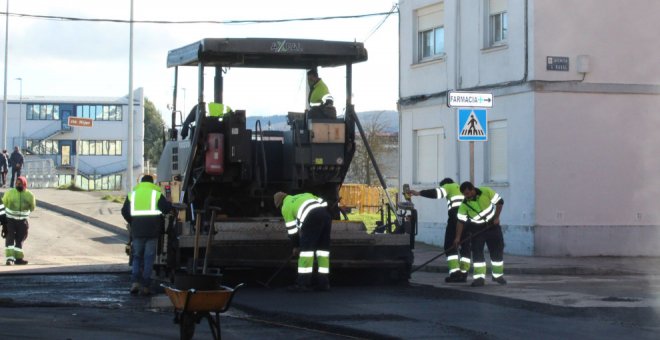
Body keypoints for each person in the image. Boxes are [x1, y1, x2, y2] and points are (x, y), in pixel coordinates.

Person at [408, 178, 471, 283]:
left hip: (456, 218)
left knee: (450, 245)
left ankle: (455, 273)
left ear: (445, 184)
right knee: (465, 246)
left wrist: (419, 193)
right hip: (469, 219)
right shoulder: (461, 188)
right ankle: (464, 274)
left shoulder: (449, 186)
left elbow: (436, 193)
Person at [121, 175, 172, 296]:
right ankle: (145, 286)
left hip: (137, 231)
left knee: (137, 257)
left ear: (141, 182)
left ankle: (135, 283)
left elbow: (124, 211)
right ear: (152, 182)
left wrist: (132, 221)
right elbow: (166, 209)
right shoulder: (156, 194)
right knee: (149, 258)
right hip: (153, 231)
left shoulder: (132, 194)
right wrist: (170, 203)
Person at [273, 191, 332, 292]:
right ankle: (324, 283)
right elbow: (324, 203)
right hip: (326, 216)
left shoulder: (285, 207)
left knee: (306, 252)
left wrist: (296, 246)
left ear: (280, 203)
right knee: (323, 251)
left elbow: (292, 230)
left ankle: (302, 284)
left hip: (311, 218)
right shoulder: (305, 195)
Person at [453, 181, 505, 287]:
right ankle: (479, 278)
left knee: (497, 250)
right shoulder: (464, 205)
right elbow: (460, 222)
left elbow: (500, 202)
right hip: (477, 229)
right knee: (477, 252)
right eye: (464, 194)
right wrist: (457, 238)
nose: (466, 196)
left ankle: (497, 275)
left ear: (473, 189)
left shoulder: (486, 191)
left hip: (492, 227)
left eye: (467, 193)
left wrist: (496, 217)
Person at [2, 176, 35, 265]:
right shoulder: (9, 193)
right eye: (16, 183)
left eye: (20, 184)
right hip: (10, 220)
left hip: (22, 221)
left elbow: (32, 207)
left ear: (24, 184)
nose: (17, 185)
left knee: (20, 239)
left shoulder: (29, 195)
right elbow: (3, 204)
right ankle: (10, 259)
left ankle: (18, 259)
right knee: (10, 238)